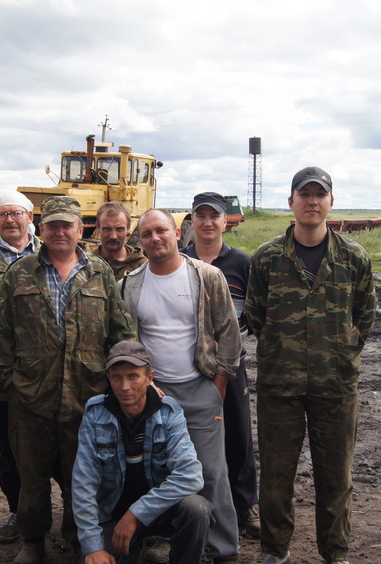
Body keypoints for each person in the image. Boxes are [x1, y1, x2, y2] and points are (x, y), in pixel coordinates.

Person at [0, 196, 136, 564]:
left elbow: (120, 332)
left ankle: (78, 538)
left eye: (66, 225)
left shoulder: (99, 272)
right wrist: (12, 383)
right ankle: (33, 540)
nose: (59, 231)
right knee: (32, 477)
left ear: (79, 229)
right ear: (40, 230)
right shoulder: (19, 273)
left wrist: (118, 385)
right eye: (52, 225)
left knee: (83, 477)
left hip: (85, 398)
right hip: (30, 399)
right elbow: (0, 333)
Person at [245, 167, 376, 564]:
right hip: (279, 386)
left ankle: (335, 553)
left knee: (336, 477)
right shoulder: (267, 258)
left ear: (331, 203)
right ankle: (275, 550)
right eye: (305, 195)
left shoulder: (354, 257)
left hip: (335, 388)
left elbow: (365, 315)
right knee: (275, 477)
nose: (312, 201)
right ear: (291, 202)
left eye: (320, 195)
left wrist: (342, 353)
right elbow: (256, 315)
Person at [120, 209, 242, 563]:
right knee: (158, 471)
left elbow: (229, 336)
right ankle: (165, 539)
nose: (155, 239)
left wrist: (217, 387)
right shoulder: (130, 284)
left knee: (211, 472)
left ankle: (223, 549)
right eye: (146, 234)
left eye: (161, 231)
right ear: (139, 241)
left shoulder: (206, 277)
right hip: (153, 395)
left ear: (177, 233)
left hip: (200, 388)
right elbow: (127, 341)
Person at [72, 341, 211, 564]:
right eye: (117, 377)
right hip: (113, 516)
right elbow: (83, 483)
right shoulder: (95, 414)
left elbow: (190, 476)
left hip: (157, 513)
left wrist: (136, 513)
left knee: (196, 509)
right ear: (109, 378)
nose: (124, 386)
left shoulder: (169, 414)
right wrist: (92, 546)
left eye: (133, 376)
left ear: (149, 377)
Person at [181, 192, 260, 539]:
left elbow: (256, 312)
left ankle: (245, 506)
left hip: (230, 363)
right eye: (201, 216)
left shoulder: (242, 263)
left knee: (239, 434)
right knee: (188, 436)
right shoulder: (179, 261)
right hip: (189, 366)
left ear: (226, 221)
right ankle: (192, 503)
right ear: (193, 221)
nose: (208, 222)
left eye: (215, 216)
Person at [0, 190, 40, 545]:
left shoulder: (54, 253)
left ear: (30, 217)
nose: (10, 220)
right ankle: (18, 510)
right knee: (9, 449)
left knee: (60, 447)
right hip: (2, 376)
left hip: (49, 375)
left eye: (17, 213)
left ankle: (72, 516)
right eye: (2, 214)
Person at [91, 201, 147, 280]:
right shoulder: (86, 263)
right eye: (107, 229)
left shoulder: (142, 268)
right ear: (97, 228)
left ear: (128, 229)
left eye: (119, 229)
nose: (113, 236)